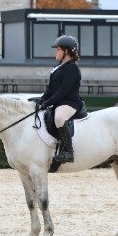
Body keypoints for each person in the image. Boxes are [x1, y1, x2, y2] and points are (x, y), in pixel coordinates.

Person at [38, 34, 83, 166]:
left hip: (70, 102)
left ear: (67, 51)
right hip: (59, 101)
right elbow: (51, 89)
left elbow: (64, 90)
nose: (55, 52)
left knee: (59, 118)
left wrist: (49, 102)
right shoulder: (57, 67)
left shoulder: (72, 68)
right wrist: (41, 100)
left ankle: (69, 152)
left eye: (58, 49)